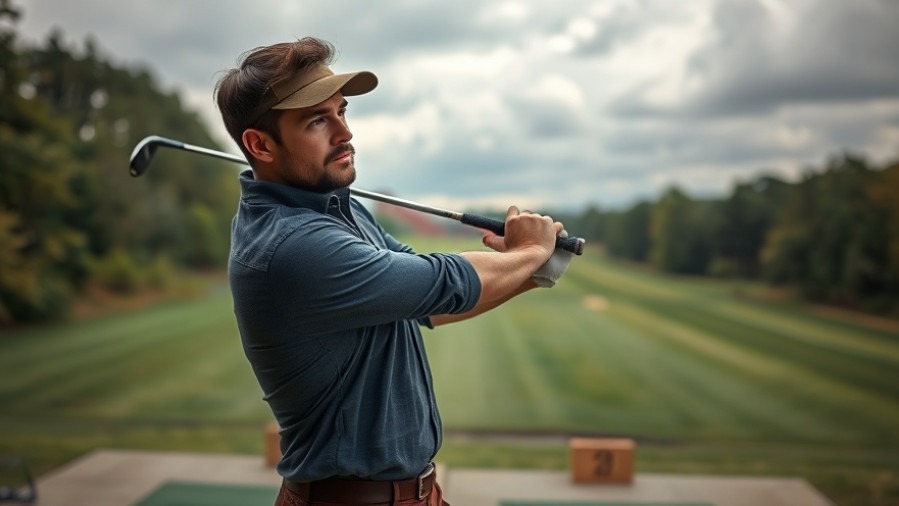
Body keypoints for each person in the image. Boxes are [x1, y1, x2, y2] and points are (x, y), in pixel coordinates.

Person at [215, 37, 573, 506]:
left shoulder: (340, 210)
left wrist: (536, 267)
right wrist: (528, 251)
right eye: (317, 120)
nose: (344, 133)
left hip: (413, 494)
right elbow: (441, 282)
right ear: (260, 144)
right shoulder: (292, 245)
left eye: (341, 112)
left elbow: (427, 307)